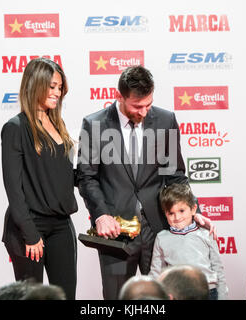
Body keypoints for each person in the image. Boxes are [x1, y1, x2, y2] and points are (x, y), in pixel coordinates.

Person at [77, 65, 216, 299]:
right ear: (119, 96)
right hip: (116, 234)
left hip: (159, 230)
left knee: (164, 297)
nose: (143, 112)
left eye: (148, 104)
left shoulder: (165, 119)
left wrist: (194, 211)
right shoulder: (95, 124)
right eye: (137, 106)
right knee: (116, 298)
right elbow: (87, 177)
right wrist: (101, 215)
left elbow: (175, 175)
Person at [1, 57, 78, 300]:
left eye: (59, 88)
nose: (57, 93)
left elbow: (61, 176)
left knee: (66, 296)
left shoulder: (58, 123)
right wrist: (31, 234)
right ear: (35, 84)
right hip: (29, 227)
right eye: (52, 86)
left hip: (61, 225)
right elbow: (14, 189)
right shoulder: (15, 127)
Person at [149, 184, 228, 300]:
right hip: (177, 294)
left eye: (181, 210)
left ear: (193, 209)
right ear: (165, 214)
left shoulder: (206, 234)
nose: (177, 217)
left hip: (208, 292)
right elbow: (156, 272)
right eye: (171, 213)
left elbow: (218, 270)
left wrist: (223, 297)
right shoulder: (162, 238)